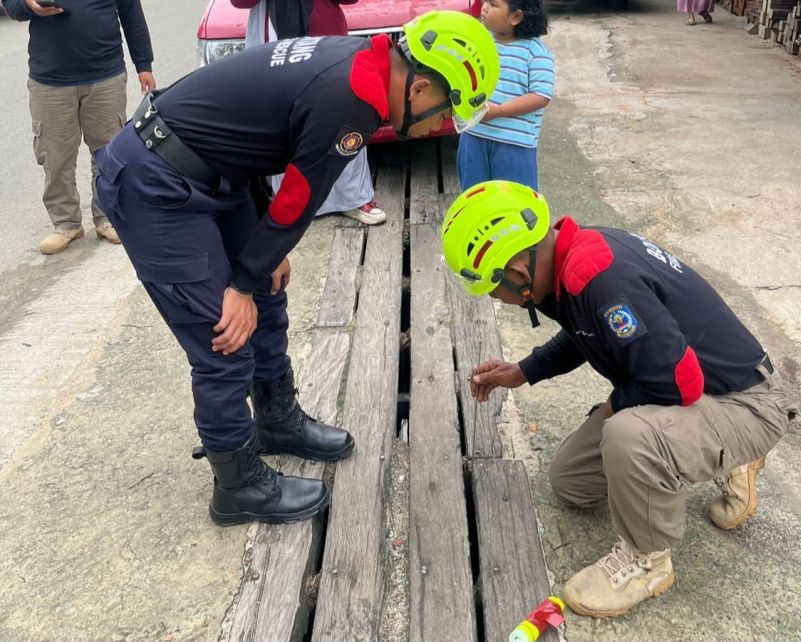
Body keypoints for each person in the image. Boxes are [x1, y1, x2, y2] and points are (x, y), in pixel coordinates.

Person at [94, 11, 498, 526]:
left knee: (267, 291)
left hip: (215, 169)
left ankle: (276, 420)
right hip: (158, 183)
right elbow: (301, 197)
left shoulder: (365, 65)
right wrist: (239, 281)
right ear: (419, 87)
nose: (436, 124)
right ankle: (236, 487)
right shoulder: (352, 99)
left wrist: (260, 260)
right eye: (443, 112)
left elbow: (260, 138)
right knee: (224, 333)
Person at [441, 180, 795, 617]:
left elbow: (675, 383)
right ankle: (710, 454)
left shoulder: (601, 278)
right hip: (696, 390)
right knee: (571, 480)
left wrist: (616, 409)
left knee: (628, 435)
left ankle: (649, 562)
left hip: (747, 402)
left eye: (493, 290)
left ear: (518, 273)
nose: (497, 299)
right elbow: (584, 331)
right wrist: (523, 371)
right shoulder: (562, 259)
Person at [2, 0, 155, 254]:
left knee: (109, 154)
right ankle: (66, 224)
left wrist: (144, 64)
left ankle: (108, 217)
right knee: (55, 156)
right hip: (49, 79)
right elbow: (13, 5)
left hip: (106, 74)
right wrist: (30, 5)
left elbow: (131, 13)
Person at [232, 0, 388, 225]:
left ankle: (354, 198)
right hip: (273, 36)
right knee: (282, 118)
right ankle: (291, 205)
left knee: (343, 109)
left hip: (326, 33)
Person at [457, 0, 553, 190]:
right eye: (485, 1)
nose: (484, 7)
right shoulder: (478, 44)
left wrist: (499, 111)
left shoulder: (534, 52)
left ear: (515, 17)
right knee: (473, 198)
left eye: (492, 4)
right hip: (474, 135)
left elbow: (541, 95)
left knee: (513, 203)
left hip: (514, 145)